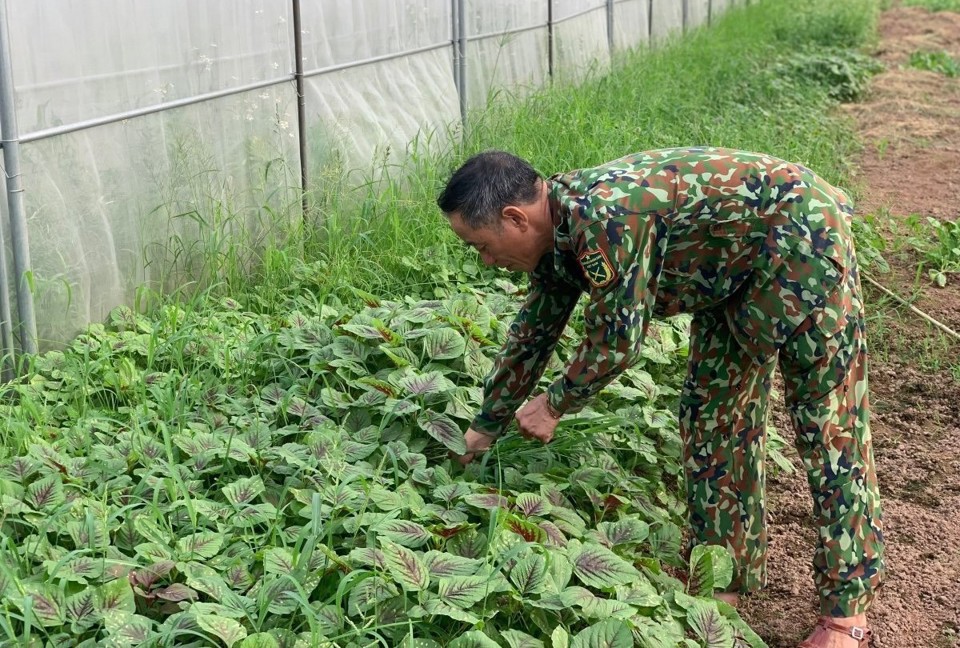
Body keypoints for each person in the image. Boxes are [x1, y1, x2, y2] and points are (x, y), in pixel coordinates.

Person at [437, 148, 885, 648]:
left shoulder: (605, 216)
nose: (485, 260)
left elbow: (617, 341)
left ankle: (846, 615)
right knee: (712, 420)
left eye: (479, 245)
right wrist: (487, 422)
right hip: (729, 273)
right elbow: (533, 333)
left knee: (828, 424)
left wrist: (554, 403)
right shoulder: (556, 234)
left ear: (514, 218)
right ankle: (724, 579)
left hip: (801, 237)